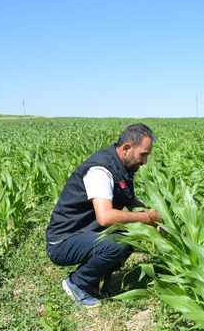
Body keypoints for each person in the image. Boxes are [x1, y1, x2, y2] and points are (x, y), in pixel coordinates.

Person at [45, 123, 162, 308]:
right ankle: (78, 283)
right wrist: (145, 218)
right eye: (143, 154)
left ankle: (98, 280)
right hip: (63, 241)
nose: (145, 161)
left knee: (132, 237)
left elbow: (132, 204)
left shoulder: (123, 168)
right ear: (126, 148)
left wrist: (155, 222)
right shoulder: (101, 170)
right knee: (118, 244)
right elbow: (105, 217)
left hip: (85, 234)